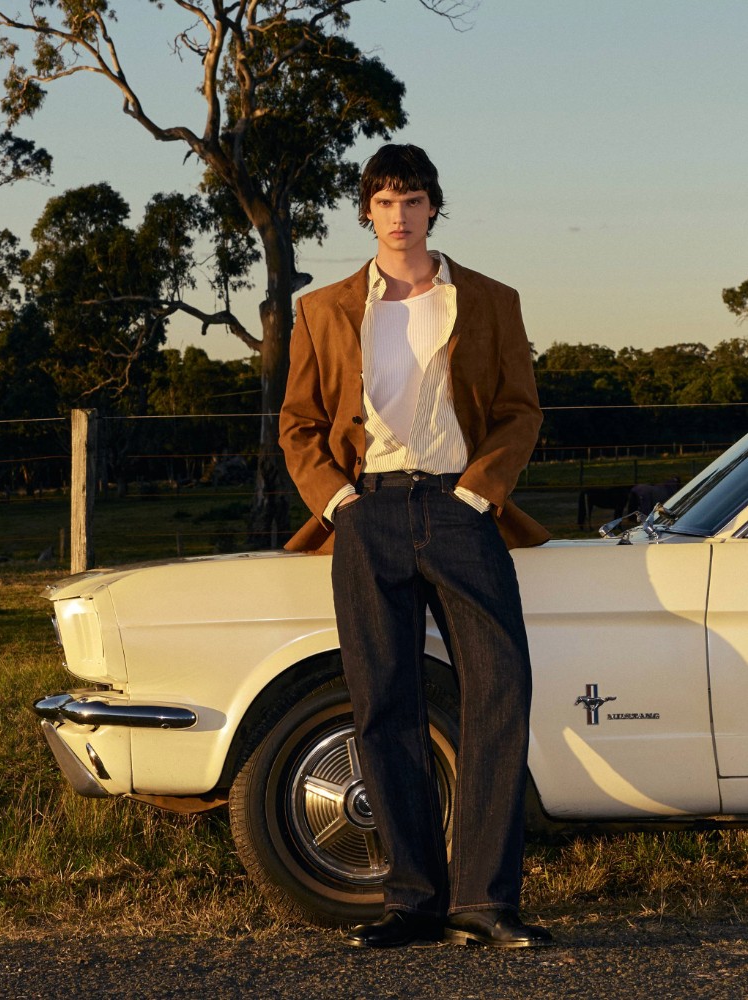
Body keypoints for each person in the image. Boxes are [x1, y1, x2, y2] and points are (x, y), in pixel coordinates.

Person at [279, 143, 552, 949]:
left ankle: (485, 902)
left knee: (500, 691)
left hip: (462, 511)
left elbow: (520, 411)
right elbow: (298, 424)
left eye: (413, 200)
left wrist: (478, 493)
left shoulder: (490, 300)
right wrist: (339, 503)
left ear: (434, 206)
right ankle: (413, 902)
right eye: (385, 201)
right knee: (384, 702)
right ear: (367, 211)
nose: (399, 216)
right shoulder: (323, 309)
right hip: (369, 514)